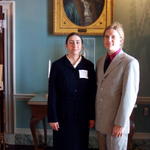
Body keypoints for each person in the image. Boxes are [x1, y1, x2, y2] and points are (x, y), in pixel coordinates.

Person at [48, 32, 96, 150]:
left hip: (82, 116)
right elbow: (52, 93)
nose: (75, 45)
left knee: (80, 144)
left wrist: (91, 116)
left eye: (78, 42)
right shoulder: (57, 65)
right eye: (71, 42)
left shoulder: (88, 65)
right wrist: (52, 117)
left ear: (82, 46)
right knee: (62, 145)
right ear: (66, 46)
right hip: (62, 115)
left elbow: (92, 93)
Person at [95, 22, 140, 150]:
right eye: (106, 36)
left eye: (113, 37)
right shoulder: (100, 61)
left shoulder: (130, 62)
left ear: (121, 40)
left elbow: (129, 97)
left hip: (116, 125)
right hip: (101, 122)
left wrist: (120, 123)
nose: (109, 40)